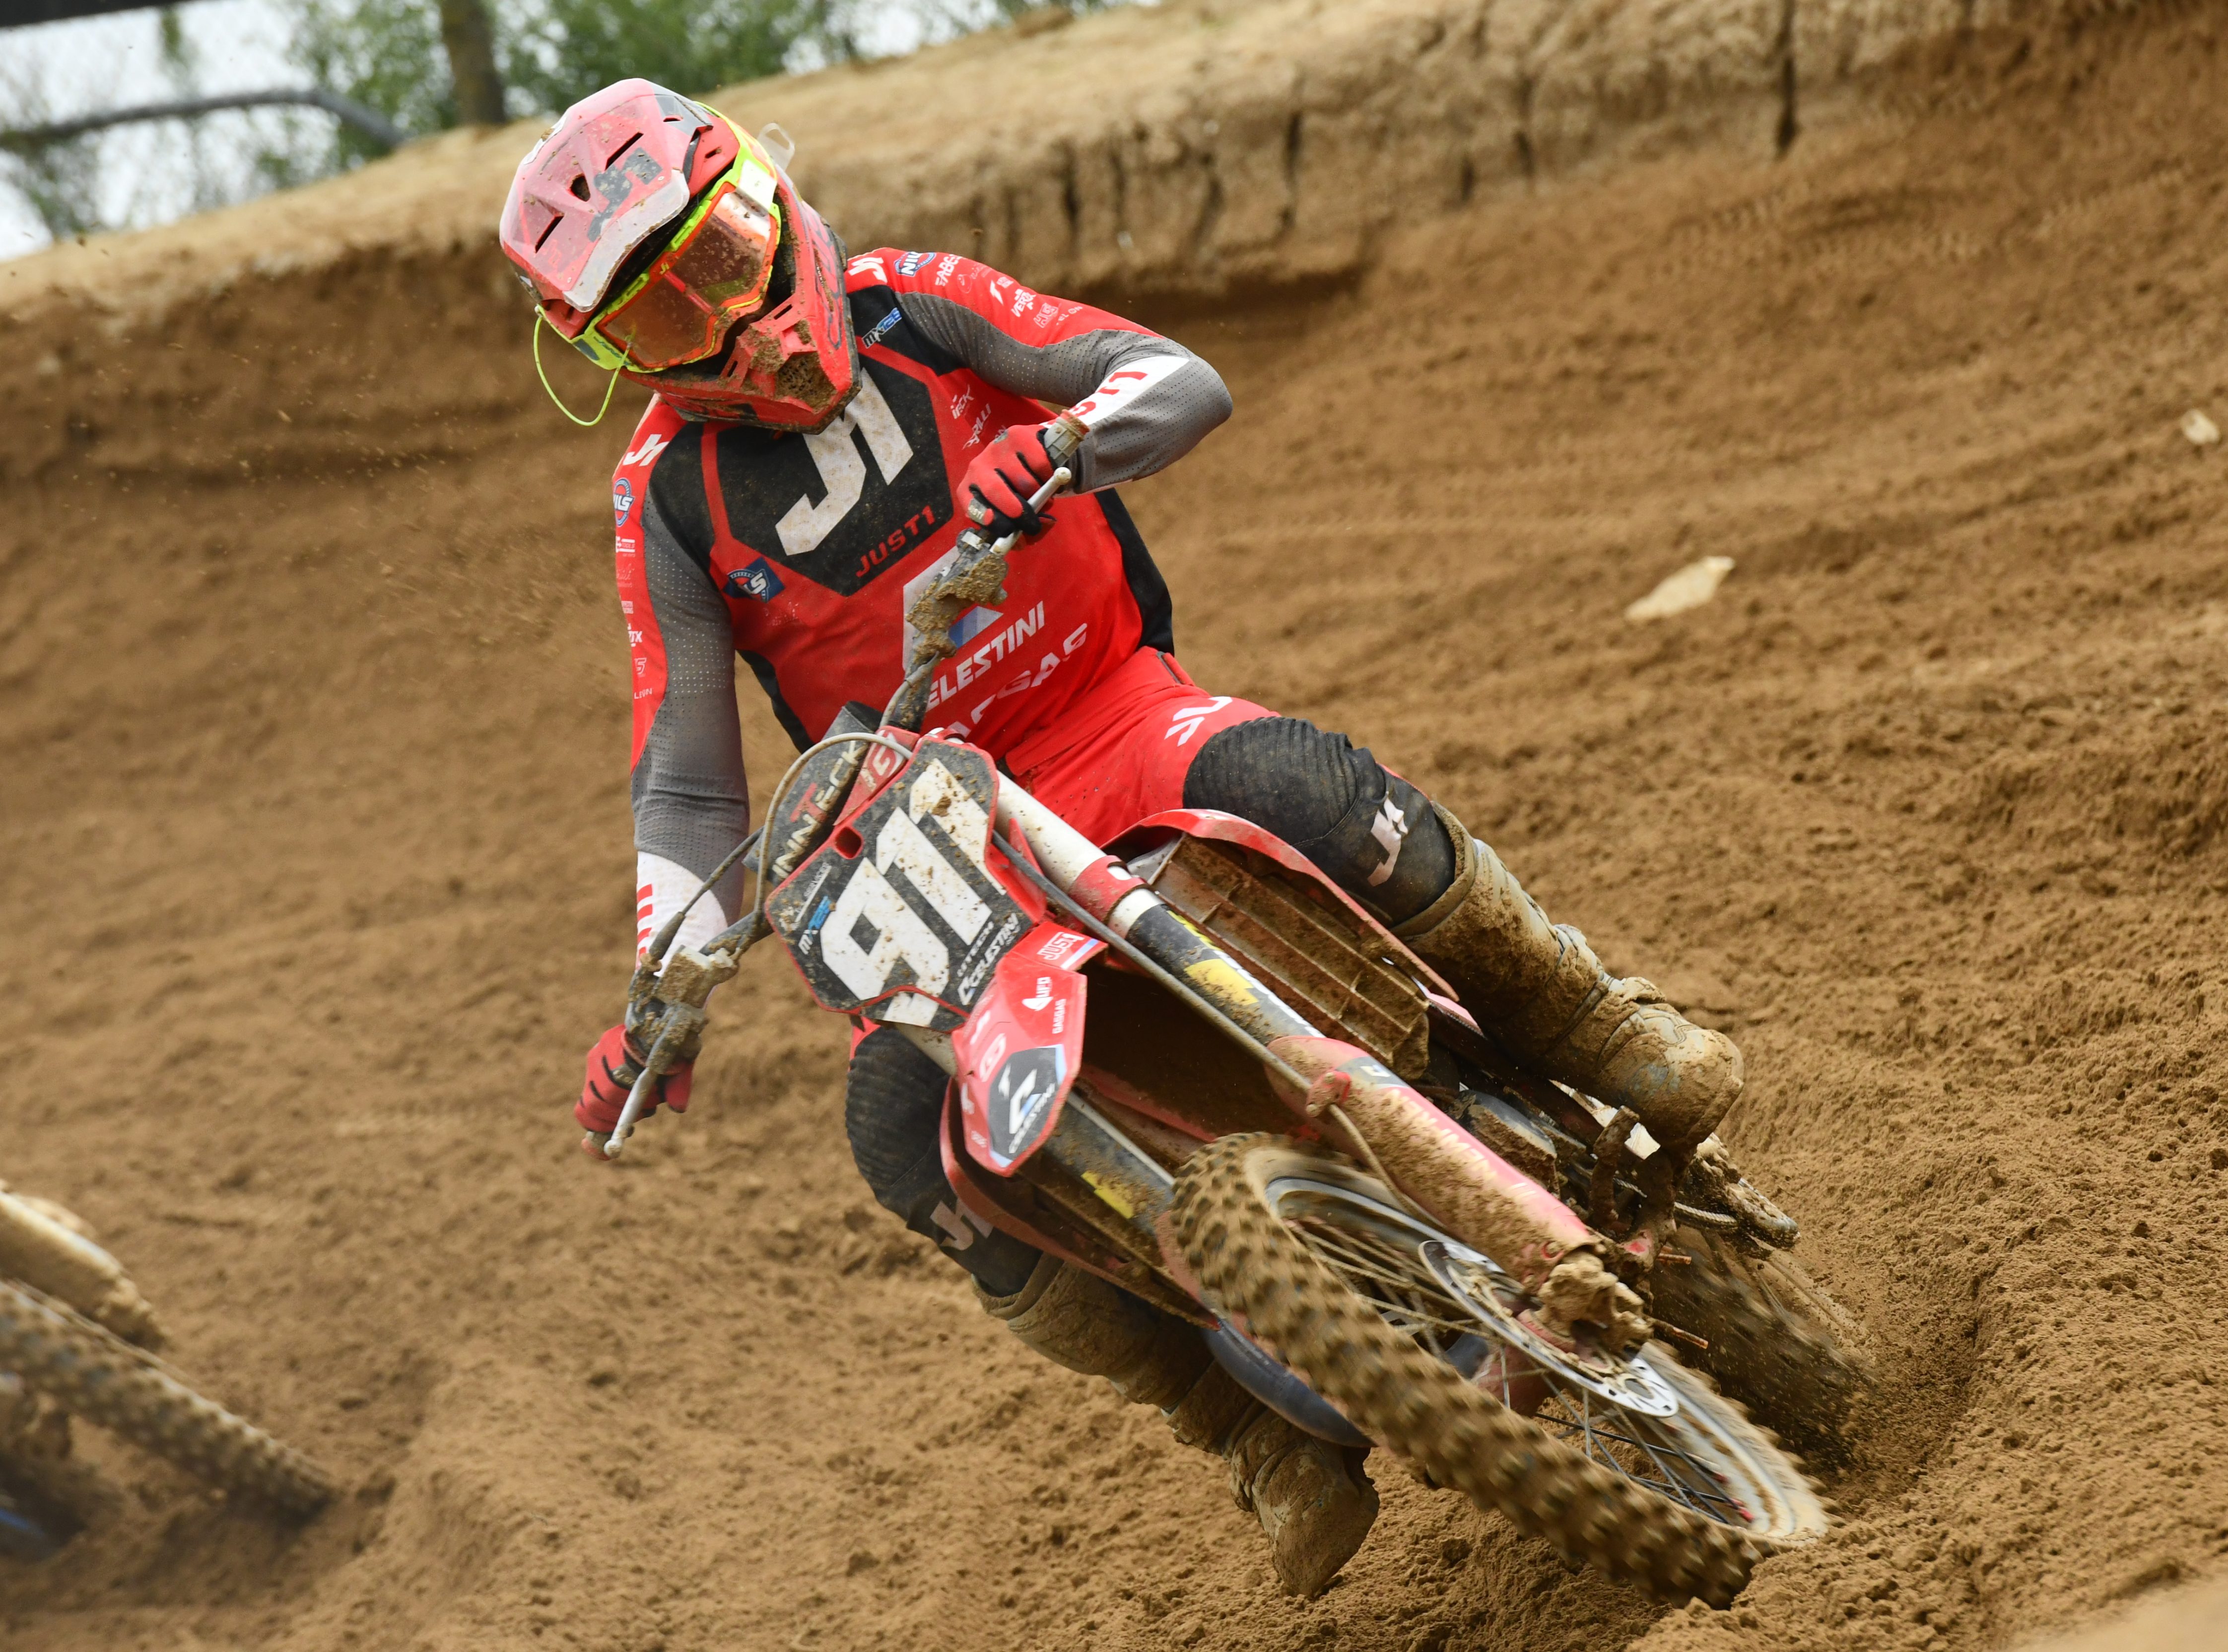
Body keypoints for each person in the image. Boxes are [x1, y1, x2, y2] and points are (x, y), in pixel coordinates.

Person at [501, 78, 1746, 1596]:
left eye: (723, 255)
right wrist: (665, 991)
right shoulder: (663, 500)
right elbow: (689, 784)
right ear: (608, 356)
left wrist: (1071, 446)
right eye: (664, 318)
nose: (736, 326)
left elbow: (1173, 378)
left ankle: (1591, 1020)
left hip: (1110, 709)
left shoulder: (914, 302)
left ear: (769, 195)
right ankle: (1235, 1424)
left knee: (1292, 786)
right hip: (931, 838)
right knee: (900, 1128)